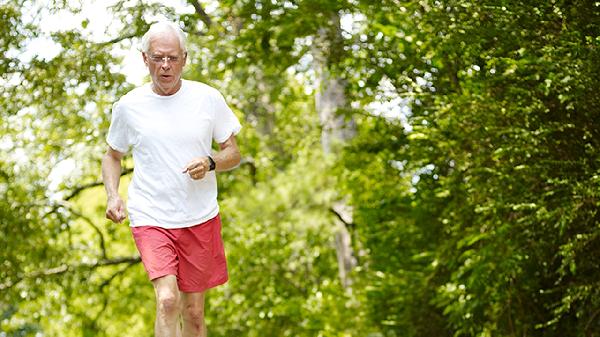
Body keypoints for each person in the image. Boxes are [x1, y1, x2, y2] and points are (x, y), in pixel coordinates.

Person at [101, 21, 241, 337]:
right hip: (151, 216)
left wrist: (210, 162)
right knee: (167, 300)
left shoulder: (208, 98)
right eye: (158, 57)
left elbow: (233, 153)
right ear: (145, 59)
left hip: (199, 216)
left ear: (185, 59)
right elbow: (112, 156)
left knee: (193, 314)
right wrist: (112, 195)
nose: (166, 66)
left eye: (173, 58)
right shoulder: (129, 106)